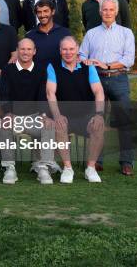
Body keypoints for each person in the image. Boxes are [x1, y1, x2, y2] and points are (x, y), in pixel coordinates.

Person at [79, 0, 136, 176]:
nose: (108, 13)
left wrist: (108, 65)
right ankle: (96, 161)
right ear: (100, 12)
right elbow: (81, 55)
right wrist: (86, 60)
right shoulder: (91, 33)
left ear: (116, 12)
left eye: (111, 10)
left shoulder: (126, 33)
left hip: (119, 79)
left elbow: (129, 59)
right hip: (96, 80)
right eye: (105, 10)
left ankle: (127, 162)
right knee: (96, 122)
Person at [47, 36, 106, 183]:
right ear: (60, 51)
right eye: (64, 49)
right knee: (59, 124)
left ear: (77, 49)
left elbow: (98, 91)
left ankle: (90, 168)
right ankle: (68, 168)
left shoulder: (88, 67)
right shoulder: (52, 66)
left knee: (98, 126)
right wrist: (57, 115)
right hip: (64, 116)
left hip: (86, 116)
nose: (68, 52)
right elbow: (50, 93)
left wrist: (99, 114)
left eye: (71, 49)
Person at [0, 38, 55, 185]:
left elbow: (42, 95)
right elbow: (4, 94)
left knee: (49, 125)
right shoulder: (7, 70)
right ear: (17, 50)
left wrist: (44, 115)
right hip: (14, 116)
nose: (25, 52)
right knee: (4, 124)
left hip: (34, 116)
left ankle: (43, 167)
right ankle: (9, 167)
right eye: (22, 49)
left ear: (34, 51)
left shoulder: (41, 70)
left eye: (29, 49)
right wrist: (8, 113)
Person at [25, 0, 71, 67]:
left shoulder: (65, 33)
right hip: (38, 76)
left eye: (45, 11)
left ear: (53, 12)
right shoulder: (30, 36)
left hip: (60, 76)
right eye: (39, 12)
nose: (42, 15)